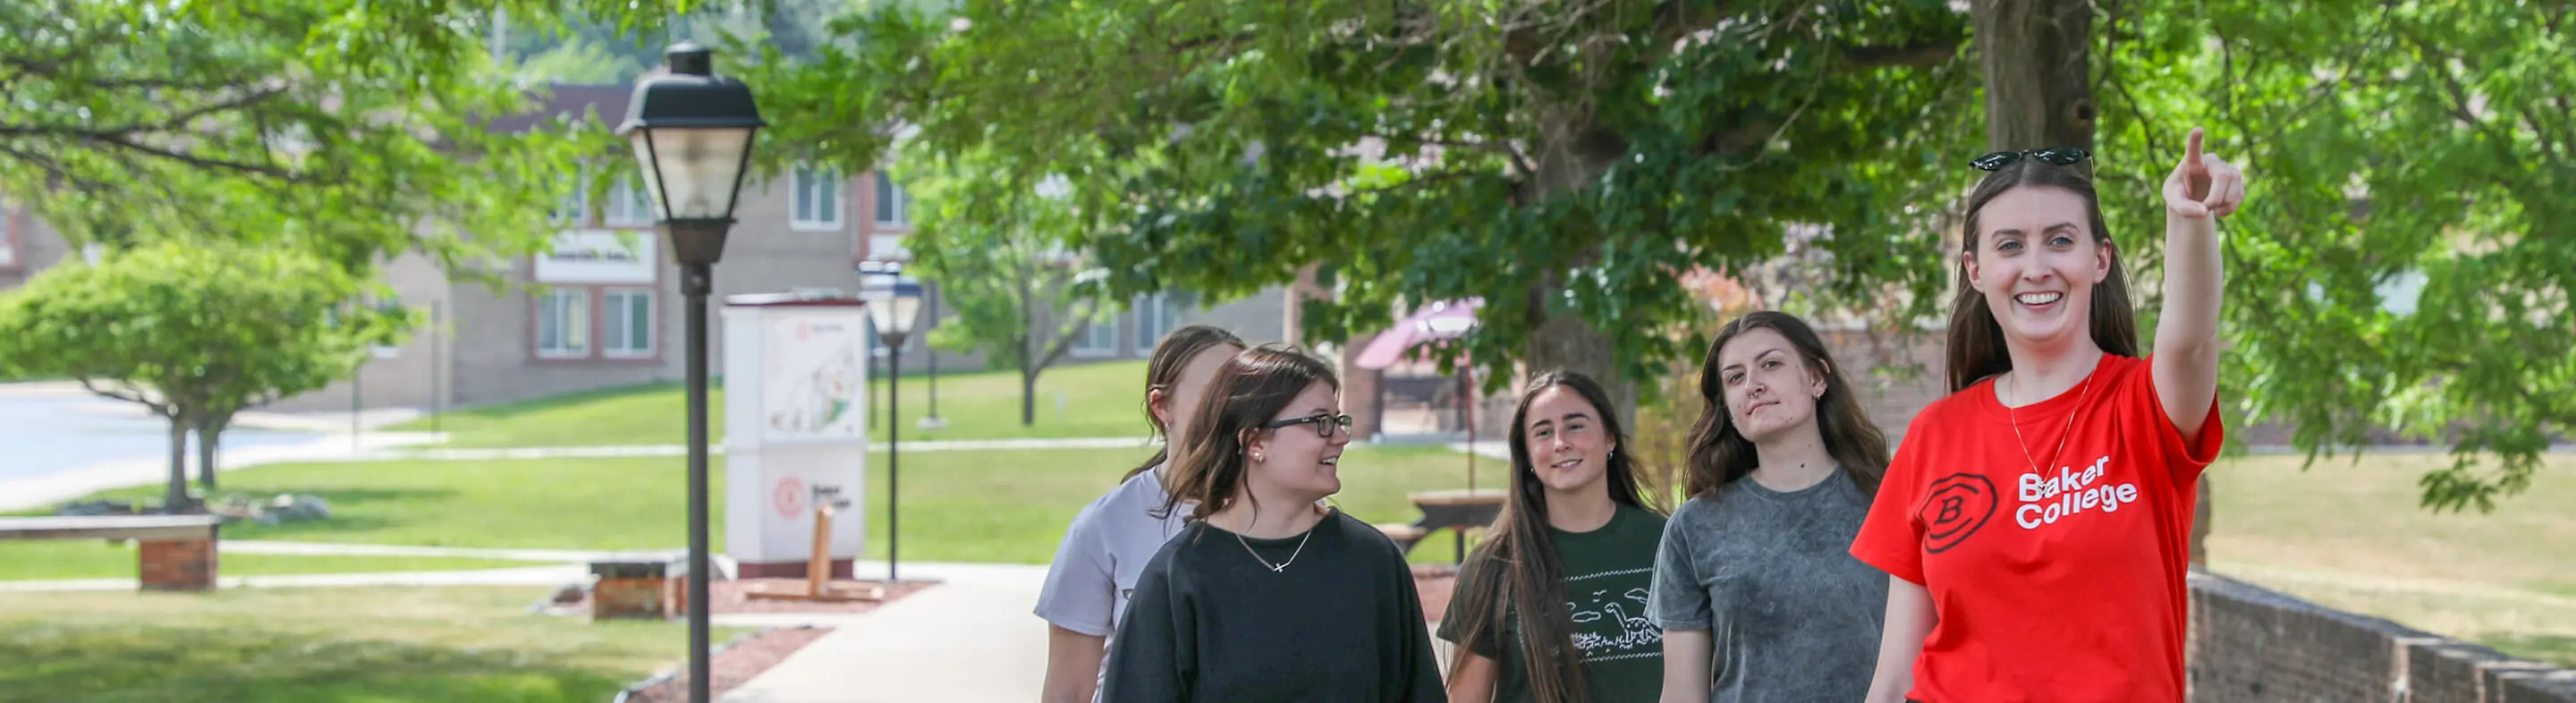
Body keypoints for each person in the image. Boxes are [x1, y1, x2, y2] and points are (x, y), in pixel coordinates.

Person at [1852, 130, 2241, 703]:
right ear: (1976, 270)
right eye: (2009, 246)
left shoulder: (2146, 408)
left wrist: (2188, 219)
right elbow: (1893, 677)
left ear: (2099, 259)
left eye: (2060, 241)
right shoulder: (1934, 436)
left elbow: (2190, 342)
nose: (2035, 267)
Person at [1101, 343, 1445, 702]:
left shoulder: (1373, 562)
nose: (1341, 437)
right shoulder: (1179, 577)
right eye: (1320, 422)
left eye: (1339, 420)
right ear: (1254, 440)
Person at [1648, 310, 1895, 702]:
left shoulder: (1891, 501)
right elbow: (1682, 693)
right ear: (1727, 407)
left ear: (1817, 379)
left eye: (1771, 364)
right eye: (1735, 377)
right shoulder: (1695, 528)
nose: (1753, 385)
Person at [1035, 325, 1246, 703]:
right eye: (1213, 392)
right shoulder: (1105, 525)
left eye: (1242, 392)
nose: (1231, 407)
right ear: (1161, 406)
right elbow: (1069, 691)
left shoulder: (1284, 518)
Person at [1440, 370, 1670, 703]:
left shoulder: (1668, 543)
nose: (1561, 443)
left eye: (1575, 426)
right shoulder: (1495, 563)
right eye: (1543, 432)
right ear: (1528, 455)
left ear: (1609, 438)